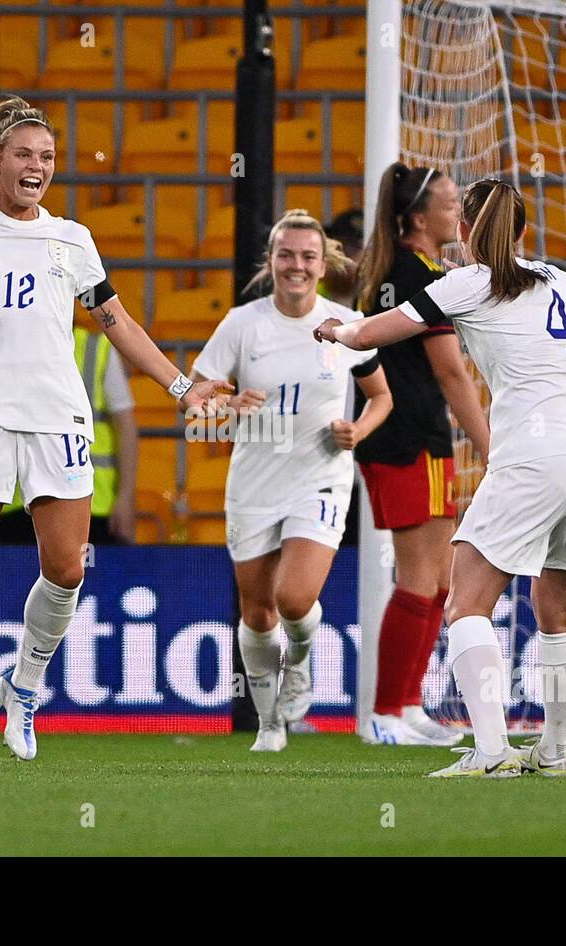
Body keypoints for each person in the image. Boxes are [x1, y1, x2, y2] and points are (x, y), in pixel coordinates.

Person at [0, 97, 228, 763]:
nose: (36, 165)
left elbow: (116, 322)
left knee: (67, 567)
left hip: (59, 417)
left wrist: (181, 387)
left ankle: (23, 690)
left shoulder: (72, 238)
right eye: (24, 154)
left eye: (46, 156)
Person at [315, 178, 566, 778]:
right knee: (558, 608)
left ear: (469, 228)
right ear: (524, 229)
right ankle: (554, 754)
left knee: (466, 603)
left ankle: (490, 750)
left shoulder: (464, 283)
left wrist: (337, 329)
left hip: (534, 455)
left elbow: (372, 332)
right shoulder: (557, 280)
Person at [190, 209, 392, 751]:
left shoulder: (344, 324)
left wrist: (359, 430)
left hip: (320, 477)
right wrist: (228, 402)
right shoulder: (242, 323)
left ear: (323, 264)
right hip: (254, 482)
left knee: (294, 599)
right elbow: (198, 401)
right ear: (272, 261)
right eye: (286, 255)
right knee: (257, 612)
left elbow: (381, 396)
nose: (296, 266)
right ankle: (271, 723)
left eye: (308, 256)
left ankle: (299, 661)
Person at [352, 163, 491, 746]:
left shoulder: (404, 268)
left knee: (435, 579)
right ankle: (385, 712)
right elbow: (452, 373)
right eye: (450, 203)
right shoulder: (417, 274)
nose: (458, 214)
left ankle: (407, 706)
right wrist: (492, 447)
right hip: (408, 437)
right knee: (418, 578)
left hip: (415, 436)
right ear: (418, 217)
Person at [0, 321, 139, 545]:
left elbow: (126, 427)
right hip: (21, 505)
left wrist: (126, 497)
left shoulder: (97, 349)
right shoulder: (7, 349)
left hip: (93, 503)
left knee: (89, 579)